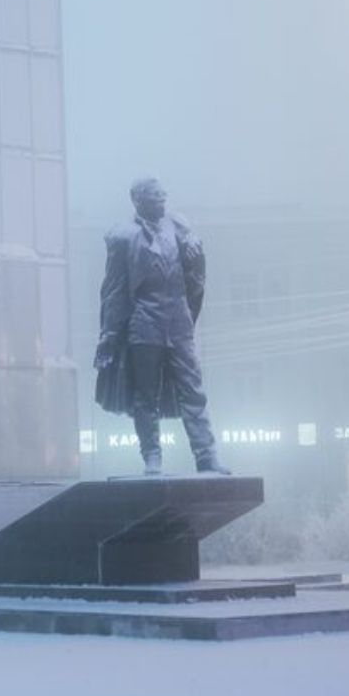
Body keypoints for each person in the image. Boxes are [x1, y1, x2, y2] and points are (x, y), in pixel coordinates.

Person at [93, 177, 226, 475]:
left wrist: (197, 255)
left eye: (163, 194)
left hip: (178, 321)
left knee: (193, 389)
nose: (162, 199)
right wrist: (109, 334)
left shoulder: (178, 227)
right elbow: (114, 289)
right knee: (145, 395)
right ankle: (152, 456)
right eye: (155, 195)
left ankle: (206, 456)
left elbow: (195, 275)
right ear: (137, 199)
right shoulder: (123, 236)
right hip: (144, 322)